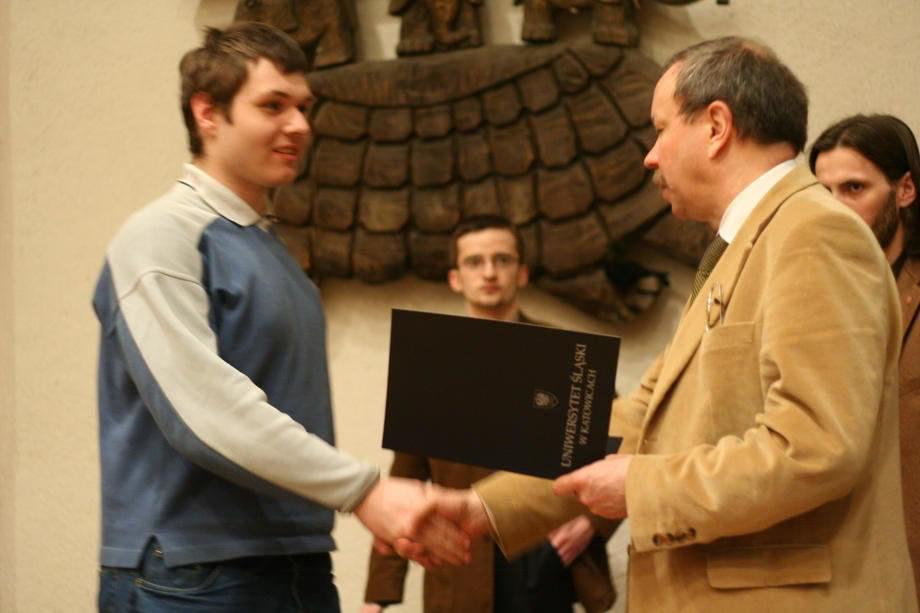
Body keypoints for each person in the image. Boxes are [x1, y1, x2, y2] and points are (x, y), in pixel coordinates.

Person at [408, 36, 919, 611]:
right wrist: (482, 507)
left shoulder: (814, 233)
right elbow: (636, 418)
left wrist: (639, 486)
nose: (650, 156)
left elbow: (815, 447)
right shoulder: (741, 246)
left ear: (716, 126)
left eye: (660, 129)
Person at [92, 22, 464, 613]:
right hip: (189, 575)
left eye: (303, 107)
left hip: (296, 564)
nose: (300, 125)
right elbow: (205, 411)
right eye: (273, 106)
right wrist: (366, 491)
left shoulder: (270, 249)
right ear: (208, 113)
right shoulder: (160, 237)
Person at [362, 215, 616, 612]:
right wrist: (378, 596)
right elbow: (406, 478)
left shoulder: (570, 357)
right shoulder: (431, 368)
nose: (490, 272)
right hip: (461, 564)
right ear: (455, 278)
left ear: (522, 272)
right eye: (475, 262)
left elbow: (624, 447)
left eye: (502, 259)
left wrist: (590, 524)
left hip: (543, 561)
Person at [809, 113, 920, 601]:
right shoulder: (808, 296)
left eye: (854, 189)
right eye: (823, 192)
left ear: (905, 190)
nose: (835, 209)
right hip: (839, 564)